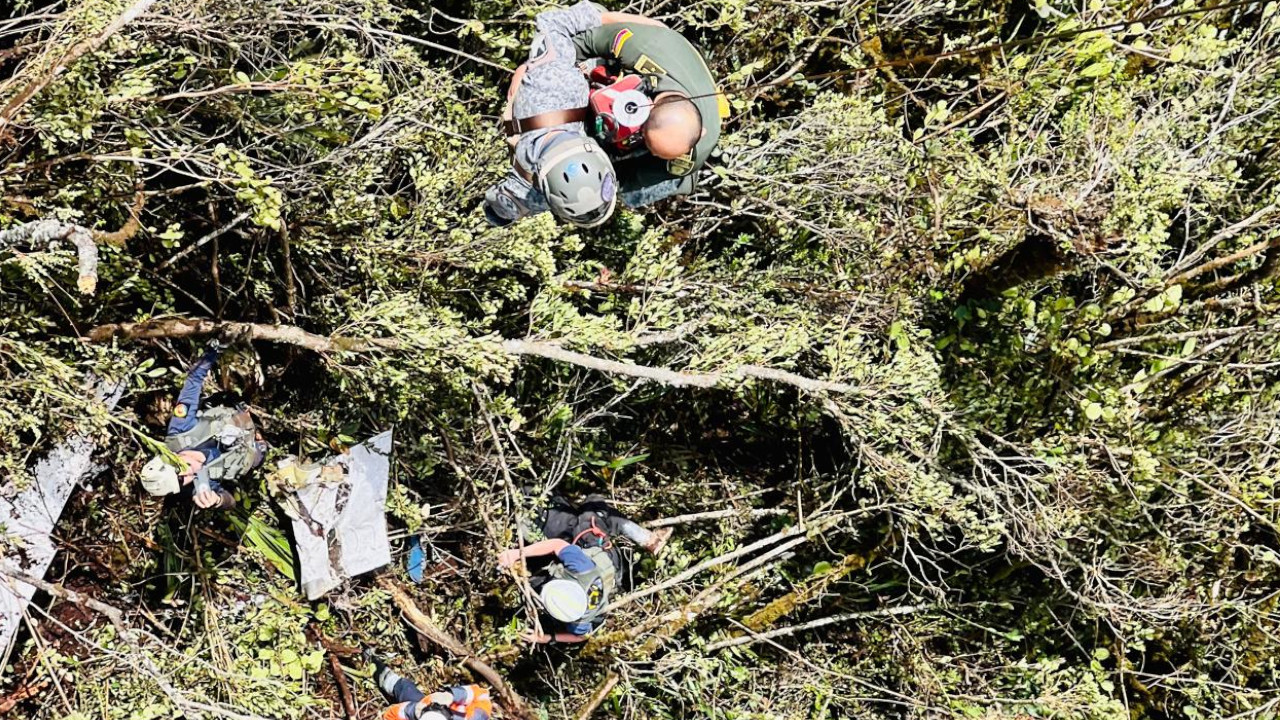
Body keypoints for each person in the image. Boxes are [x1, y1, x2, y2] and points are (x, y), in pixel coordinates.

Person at [568, 2, 728, 208]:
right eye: (651, 145)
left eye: (656, 151)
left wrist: (587, 185)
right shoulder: (647, 49)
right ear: (645, 110)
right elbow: (584, 42)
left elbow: (628, 177)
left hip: (673, 160)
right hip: (655, 51)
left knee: (611, 195)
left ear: (701, 133)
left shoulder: (693, 156)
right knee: (588, 23)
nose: (652, 153)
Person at [483, 1, 618, 228]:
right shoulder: (529, 187)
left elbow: (552, 22)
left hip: (557, 82)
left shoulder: (558, 89)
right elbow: (502, 204)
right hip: (536, 109)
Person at [497, 494, 672, 644]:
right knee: (592, 507)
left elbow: (581, 637)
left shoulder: (581, 583)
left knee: (588, 514)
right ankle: (648, 539)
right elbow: (557, 545)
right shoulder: (582, 581)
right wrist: (518, 554)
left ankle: (646, 539)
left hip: (607, 567)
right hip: (606, 562)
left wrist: (548, 638)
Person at [138, 341, 266, 511]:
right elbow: (231, 502)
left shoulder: (180, 431)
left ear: (171, 457)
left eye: (178, 469)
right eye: (181, 481)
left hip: (236, 415)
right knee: (259, 456)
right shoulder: (197, 489)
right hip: (247, 451)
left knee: (234, 393)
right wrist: (218, 500)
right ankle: (263, 443)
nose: (186, 474)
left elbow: (193, 381)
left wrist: (213, 350)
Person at [363, 650, 493, 720]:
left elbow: (390, 715)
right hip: (425, 706)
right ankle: (374, 663)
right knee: (404, 687)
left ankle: (371, 663)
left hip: (418, 710)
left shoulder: (414, 712)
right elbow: (482, 695)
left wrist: (413, 711)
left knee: (405, 689)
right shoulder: (475, 717)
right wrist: (452, 695)